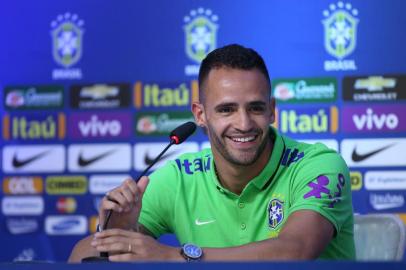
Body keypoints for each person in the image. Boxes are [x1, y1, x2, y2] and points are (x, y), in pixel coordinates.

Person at [69, 44, 355, 262]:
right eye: (226, 109)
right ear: (201, 114)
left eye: (255, 108)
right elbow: (79, 255)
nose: (243, 124)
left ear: (271, 110)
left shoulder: (319, 165)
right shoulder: (179, 177)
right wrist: (117, 235)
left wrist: (175, 257)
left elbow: (296, 250)